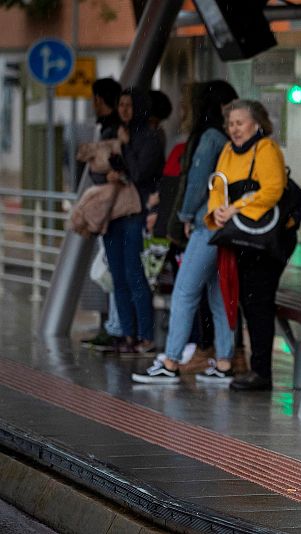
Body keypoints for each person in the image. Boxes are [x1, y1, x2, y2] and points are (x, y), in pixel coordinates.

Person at [132, 81, 239, 384]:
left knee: (184, 291)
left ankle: (171, 360)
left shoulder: (208, 138)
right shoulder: (225, 139)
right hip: (224, 225)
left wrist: (185, 215)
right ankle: (224, 361)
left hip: (207, 224)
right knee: (219, 295)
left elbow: (196, 182)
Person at [207, 99, 288, 391]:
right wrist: (217, 210)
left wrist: (236, 207)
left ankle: (262, 372)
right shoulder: (228, 151)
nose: (234, 129)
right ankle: (257, 369)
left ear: (257, 123)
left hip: (265, 239)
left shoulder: (266, 149)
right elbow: (218, 186)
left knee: (259, 301)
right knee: (249, 300)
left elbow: (273, 189)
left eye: (240, 123)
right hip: (241, 236)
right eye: (230, 124)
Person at [103, 87, 163, 354]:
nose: (124, 110)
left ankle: (145, 335)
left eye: (129, 105)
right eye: (121, 105)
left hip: (136, 212)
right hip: (114, 212)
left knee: (134, 274)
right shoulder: (113, 134)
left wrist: (125, 147)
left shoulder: (149, 137)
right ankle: (127, 334)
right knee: (118, 276)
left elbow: (139, 174)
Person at [80, 77, 125, 352]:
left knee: (113, 270)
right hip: (111, 208)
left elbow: (106, 168)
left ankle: (117, 328)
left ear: (99, 99)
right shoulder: (112, 128)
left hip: (114, 208)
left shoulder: (113, 131)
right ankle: (115, 327)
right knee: (111, 270)